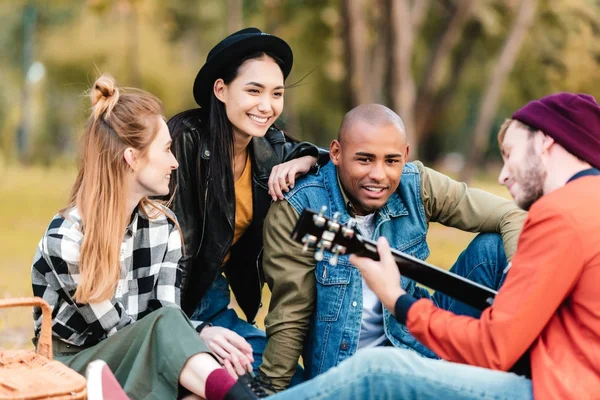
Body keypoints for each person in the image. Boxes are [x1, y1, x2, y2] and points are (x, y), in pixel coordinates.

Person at [270, 92, 600, 400]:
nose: (502, 175)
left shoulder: (560, 214)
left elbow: (495, 345)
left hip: (563, 387)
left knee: (378, 370)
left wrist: (397, 299)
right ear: (338, 153)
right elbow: (290, 316)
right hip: (557, 372)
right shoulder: (587, 202)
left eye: (509, 154)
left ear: (544, 142)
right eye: (364, 160)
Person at [31, 74, 266, 400]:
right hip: (76, 368)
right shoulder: (67, 238)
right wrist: (197, 334)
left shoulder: (163, 226)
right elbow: (124, 330)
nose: (174, 162)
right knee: (184, 362)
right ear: (132, 157)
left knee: (197, 394)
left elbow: (164, 315)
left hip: (138, 358)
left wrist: (200, 332)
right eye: (167, 149)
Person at [167, 27, 328, 376]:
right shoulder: (183, 142)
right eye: (253, 90)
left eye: (277, 93)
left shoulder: (269, 149)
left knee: (293, 382)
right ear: (221, 89)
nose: (266, 106)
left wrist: (309, 159)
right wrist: (190, 330)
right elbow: (150, 260)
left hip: (212, 303)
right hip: (166, 305)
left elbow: (341, 162)